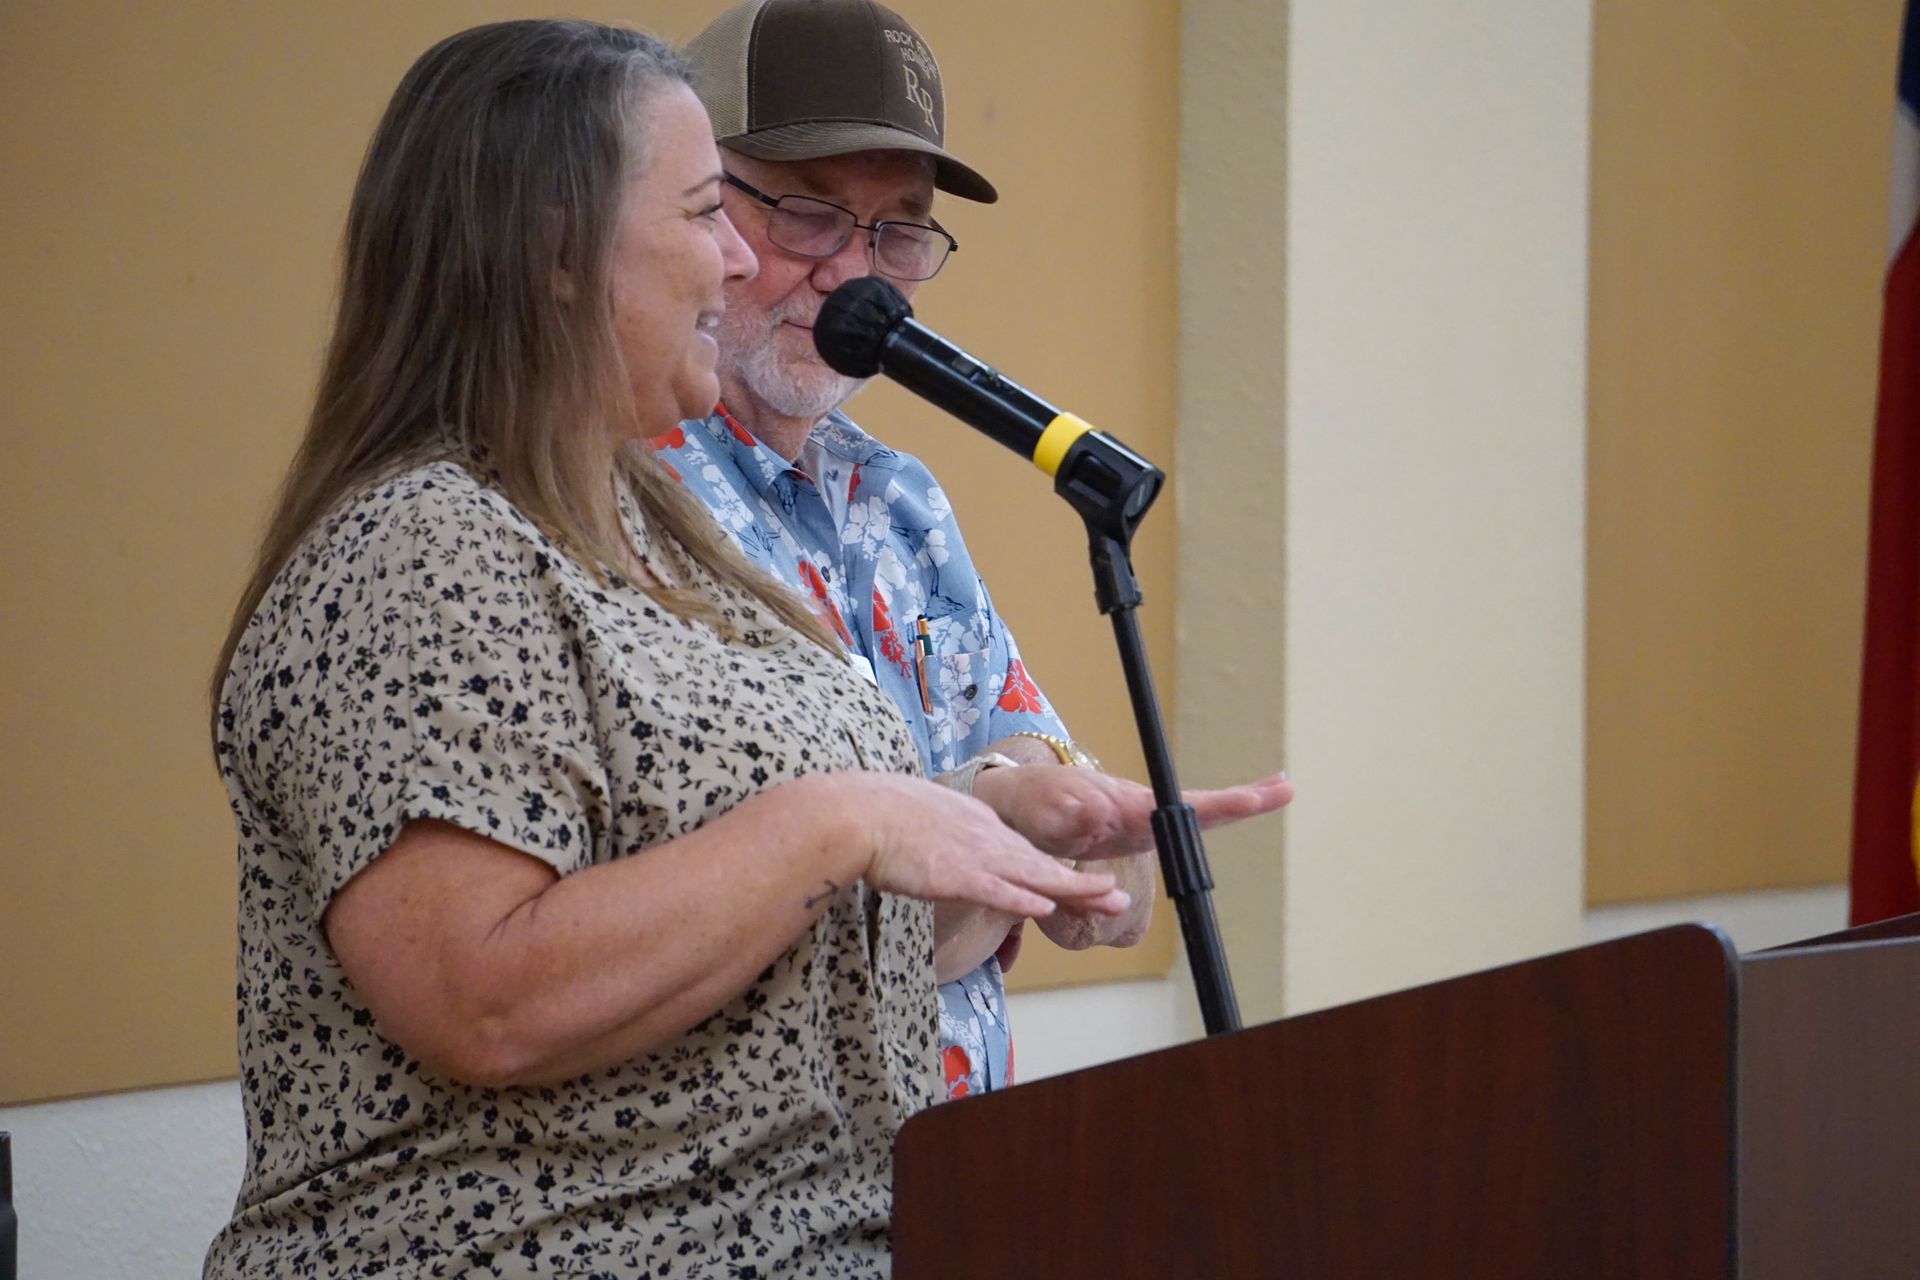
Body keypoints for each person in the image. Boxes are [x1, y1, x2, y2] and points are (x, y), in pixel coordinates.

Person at [203, 18, 1284, 1278]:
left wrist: (1021, 836)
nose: (737, 262)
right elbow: (482, 996)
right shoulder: (428, 539)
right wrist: (844, 825)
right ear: (557, 247)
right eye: (753, 211)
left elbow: (830, 915)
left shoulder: (678, 527)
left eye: (898, 229)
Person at [664, 0, 1283, 1099]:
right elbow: (754, 940)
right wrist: (993, 834)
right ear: (698, 206)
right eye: (809, 213)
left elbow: (1102, 877)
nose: (855, 275)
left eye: (897, 230)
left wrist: (1088, 839)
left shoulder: (900, 501)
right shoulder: (617, 486)